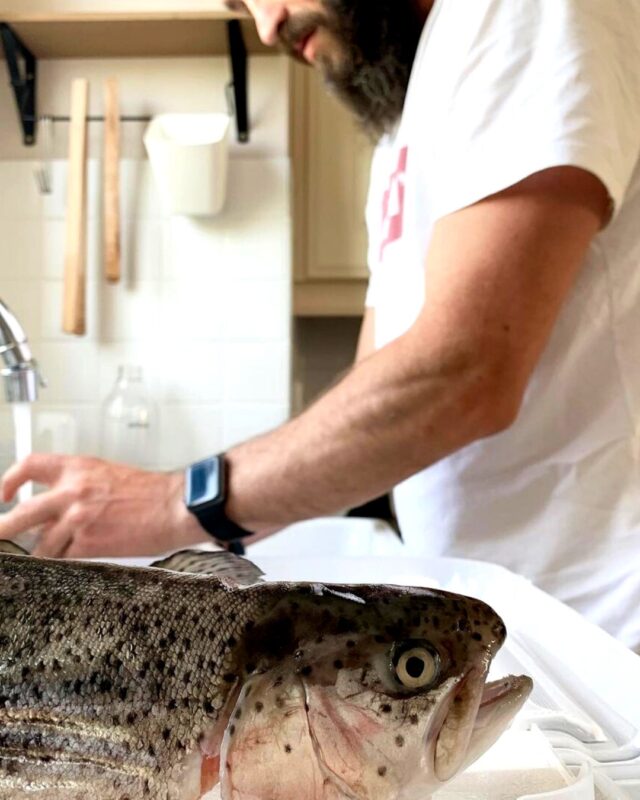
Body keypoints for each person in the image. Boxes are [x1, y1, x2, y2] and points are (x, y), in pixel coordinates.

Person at [1, 0, 639, 651]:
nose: (266, 25)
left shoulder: (522, 11)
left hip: (606, 629)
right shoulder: (402, 125)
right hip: (512, 620)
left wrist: (174, 502)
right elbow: (373, 403)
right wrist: (195, 524)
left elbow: (465, 369)